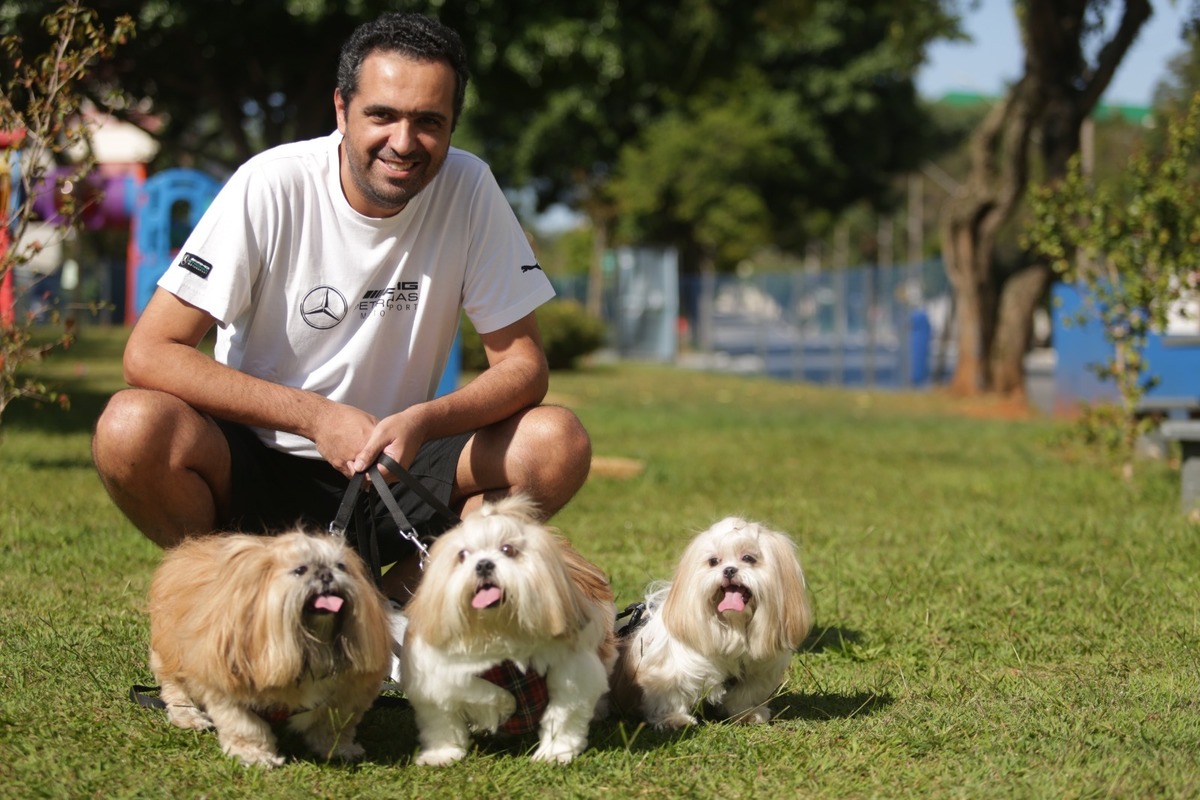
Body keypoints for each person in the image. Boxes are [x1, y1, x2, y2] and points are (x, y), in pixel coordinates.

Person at [91, 12, 592, 601]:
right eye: (382, 115)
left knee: (556, 442)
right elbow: (150, 353)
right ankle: (241, 602)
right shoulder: (271, 184)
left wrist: (423, 420)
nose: (403, 143)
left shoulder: (470, 187)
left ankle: (397, 617)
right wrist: (314, 417)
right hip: (262, 459)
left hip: (400, 467)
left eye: (429, 122)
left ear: (453, 123)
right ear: (341, 109)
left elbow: (523, 366)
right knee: (130, 427)